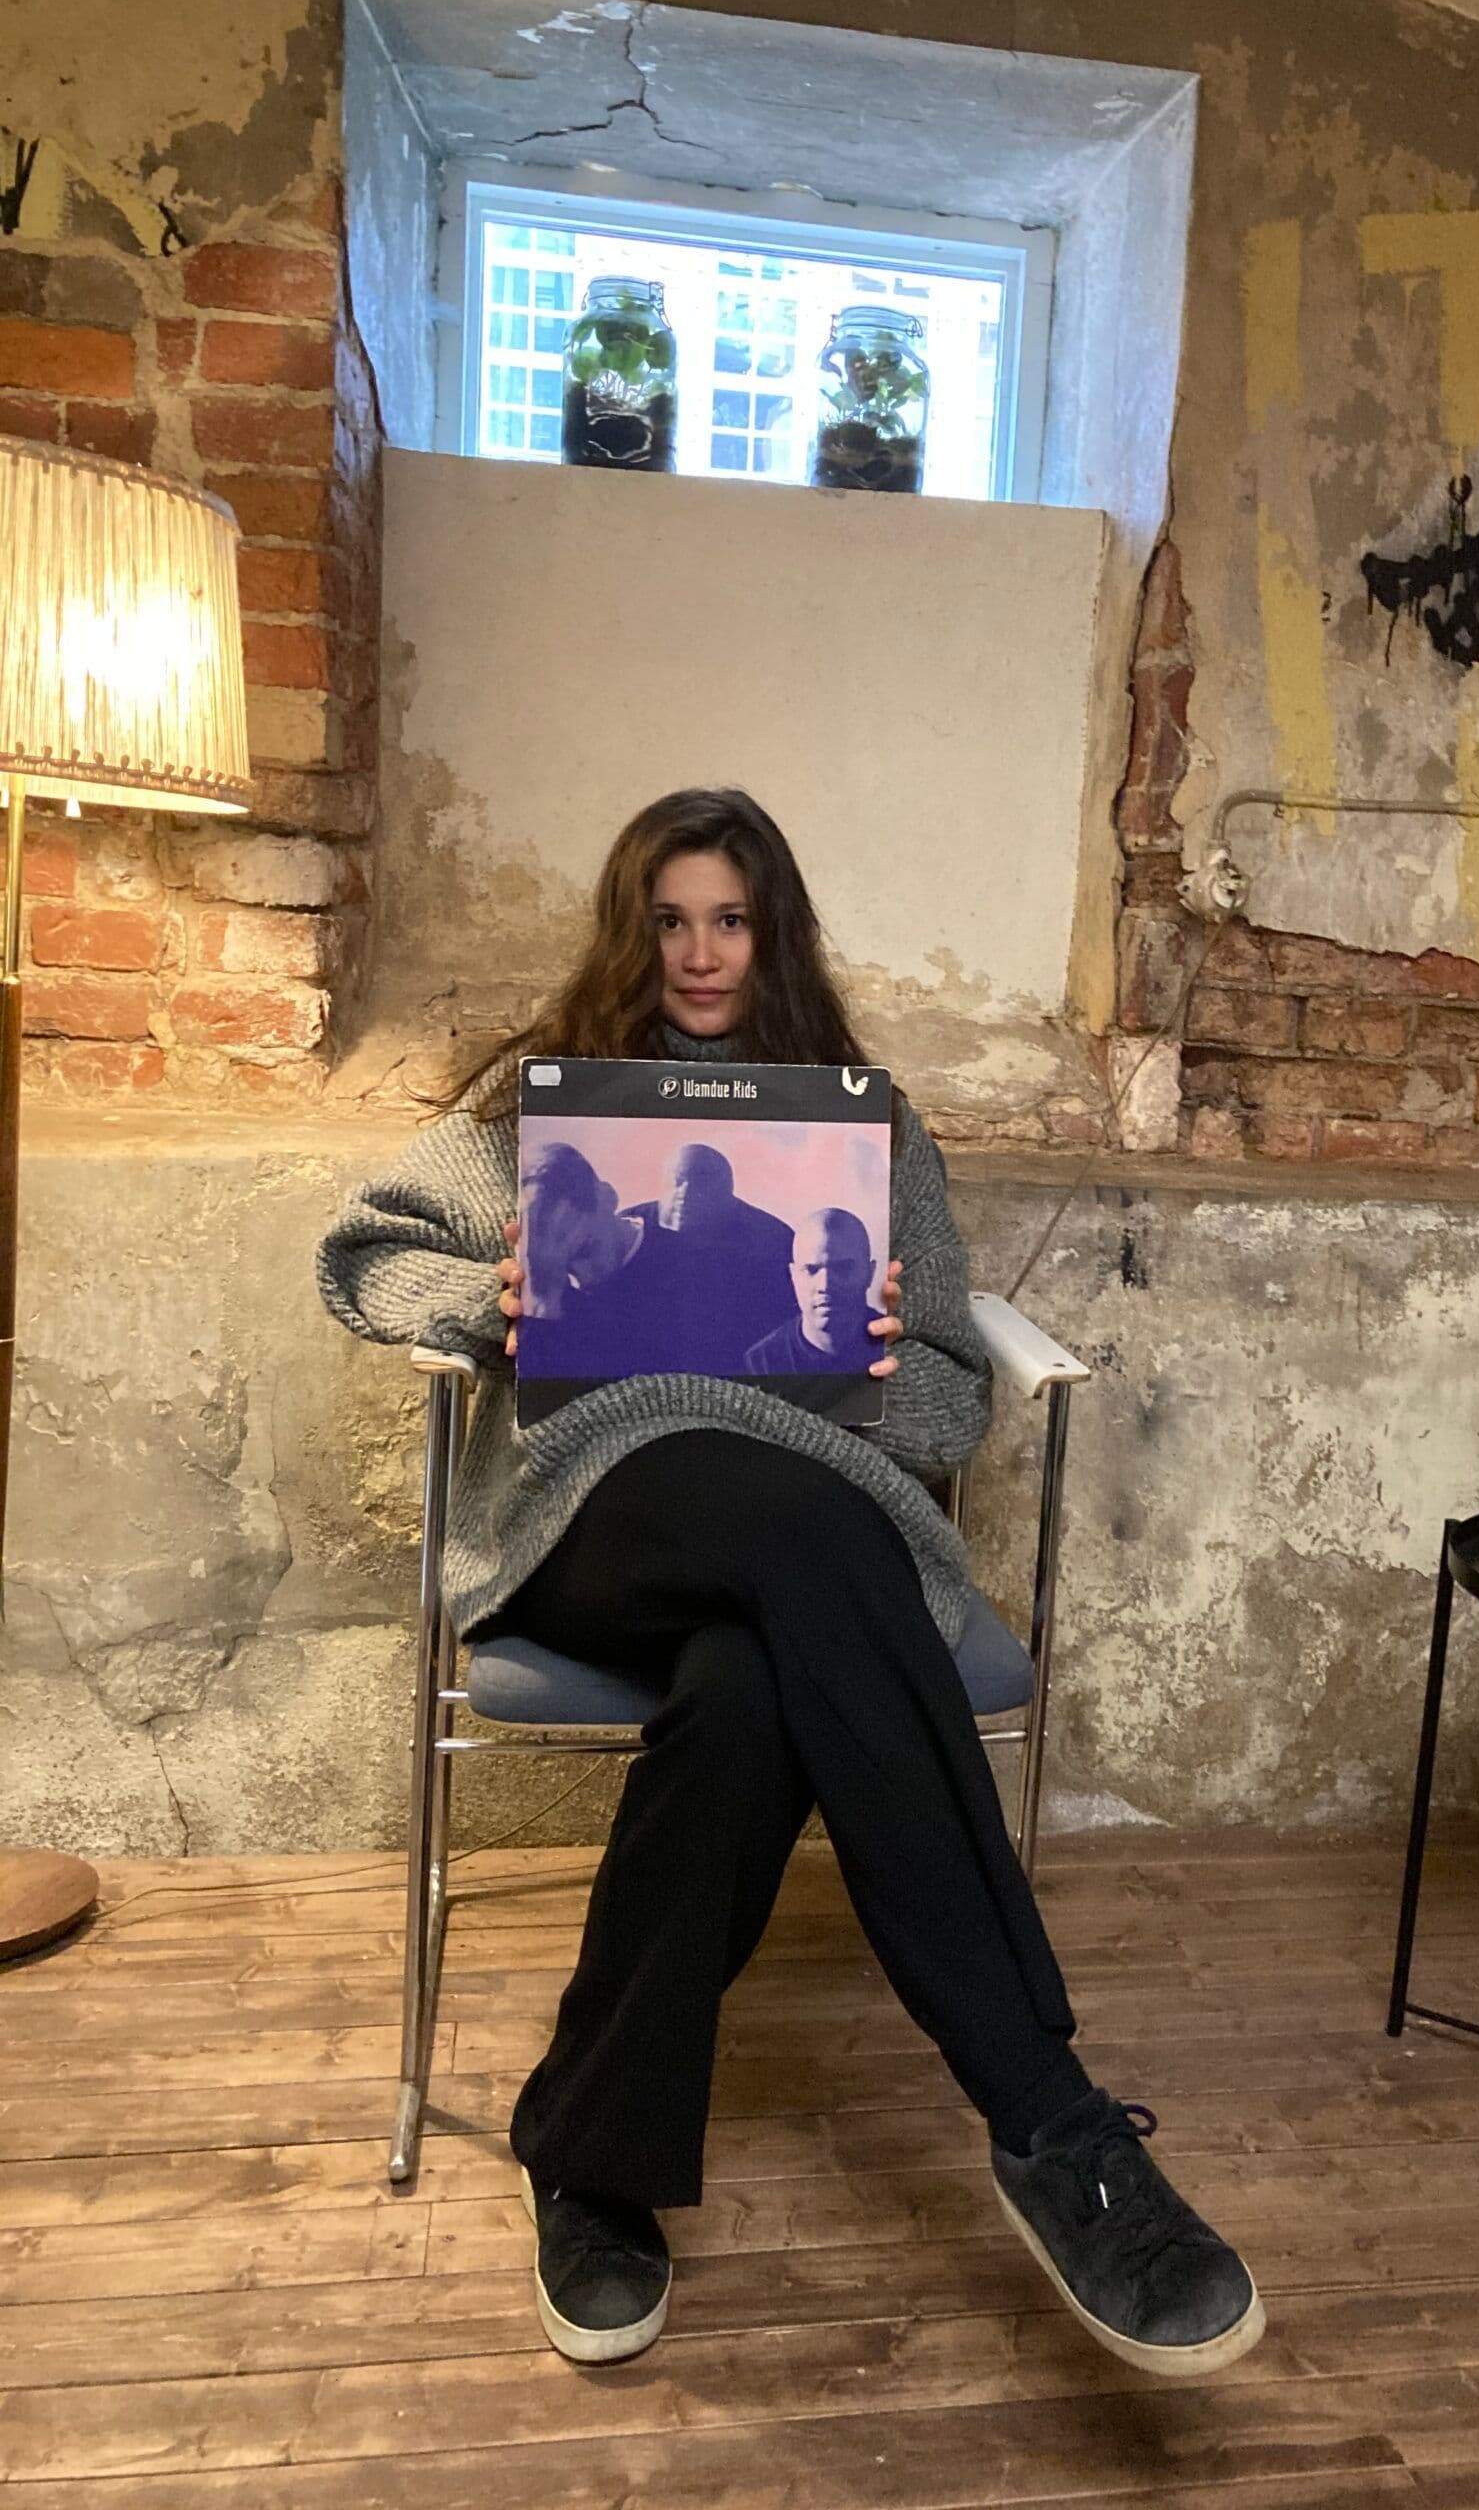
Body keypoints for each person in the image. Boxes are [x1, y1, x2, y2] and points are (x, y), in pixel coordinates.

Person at [316, 785, 1262, 2379]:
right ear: (632, 934)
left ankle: (588, 2153)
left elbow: (949, 1397)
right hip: (596, 1503)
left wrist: (880, 1356)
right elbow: (362, 1255)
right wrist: (494, 1295)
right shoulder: (543, 1118)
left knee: (749, 1691)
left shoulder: (866, 1137)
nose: (700, 953)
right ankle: (1054, 2120)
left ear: (776, 937)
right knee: (805, 1539)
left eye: (731, 921)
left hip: (807, 1531)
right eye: (670, 921)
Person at [627, 1141, 794, 1371]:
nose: (684, 1195)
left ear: (728, 1194)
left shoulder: (771, 1240)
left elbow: (787, 1326)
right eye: (677, 1182)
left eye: (701, 1185)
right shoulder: (627, 1232)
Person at [514, 1138, 669, 1382]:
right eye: (567, 1266)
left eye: (587, 1249)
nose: (582, 1276)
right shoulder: (548, 1280)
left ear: (608, 1198)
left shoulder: (687, 1253)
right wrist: (543, 1300)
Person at [744, 1205, 879, 1375]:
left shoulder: (892, 1344)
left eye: (843, 1268)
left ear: (870, 1273)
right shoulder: (762, 1363)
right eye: (811, 1270)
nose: (825, 1286)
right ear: (793, 1276)